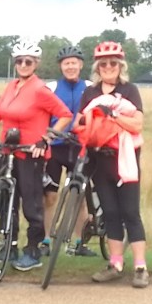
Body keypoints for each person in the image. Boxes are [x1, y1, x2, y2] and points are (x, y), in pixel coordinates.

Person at [0, 41, 73, 272]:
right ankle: (10, 246)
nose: (23, 64)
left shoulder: (40, 90)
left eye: (28, 61)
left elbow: (65, 115)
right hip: (7, 151)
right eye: (19, 61)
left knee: (31, 204)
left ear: (36, 63)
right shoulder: (12, 86)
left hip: (30, 152)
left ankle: (33, 250)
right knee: (6, 201)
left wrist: (46, 139)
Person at [78, 41, 150, 288]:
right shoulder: (90, 93)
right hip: (100, 159)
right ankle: (115, 264)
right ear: (97, 68)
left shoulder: (130, 91)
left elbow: (137, 125)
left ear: (121, 66)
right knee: (110, 213)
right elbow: (80, 122)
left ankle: (140, 267)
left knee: (130, 213)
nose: (108, 67)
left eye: (113, 63)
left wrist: (113, 115)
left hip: (125, 160)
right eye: (103, 64)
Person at [42, 45, 96, 258]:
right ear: (60, 66)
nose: (70, 67)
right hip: (56, 148)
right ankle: (46, 240)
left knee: (79, 196)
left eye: (74, 63)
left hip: (80, 147)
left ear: (81, 65)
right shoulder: (52, 87)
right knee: (50, 196)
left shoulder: (90, 87)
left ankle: (79, 242)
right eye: (66, 63)